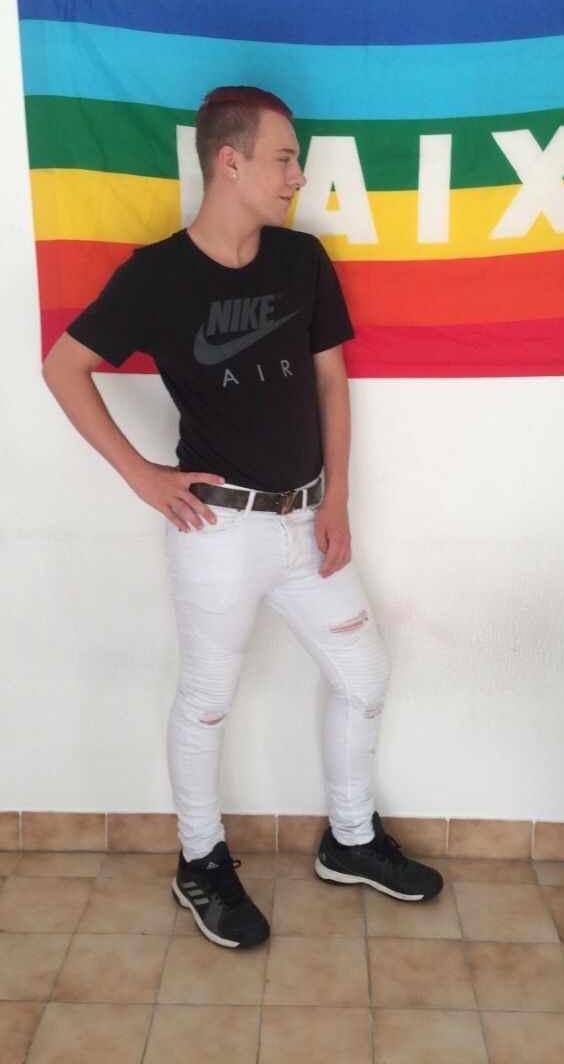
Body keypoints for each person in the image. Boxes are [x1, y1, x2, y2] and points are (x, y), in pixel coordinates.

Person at [42, 85, 443, 949]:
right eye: (285, 158)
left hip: (307, 521)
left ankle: (351, 839)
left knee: (364, 677)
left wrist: (338, 497)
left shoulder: (301, 259)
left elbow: (331, 380)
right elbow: (63, 367)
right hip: (217, 532)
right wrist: (141, 475)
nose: (298, 176)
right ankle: (200, 862)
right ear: (231, 161)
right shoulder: (156, 276)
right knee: (208, 702)